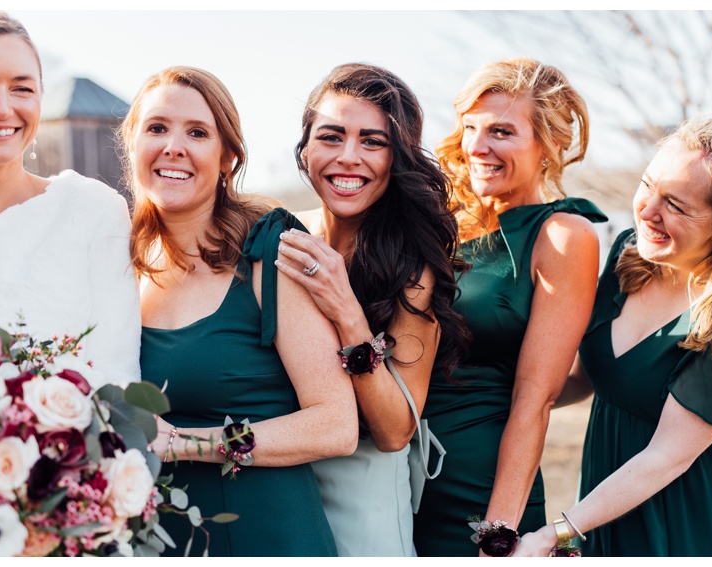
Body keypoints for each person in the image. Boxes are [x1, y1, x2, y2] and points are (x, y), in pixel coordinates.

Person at [512, 119, 712, 557]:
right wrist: (499, 394)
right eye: (648, 186)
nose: (646, 211)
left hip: (694, 521)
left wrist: (559, 533)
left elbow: (667, 456)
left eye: (676, 206)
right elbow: (589, 378)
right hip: (608, 504)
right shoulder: (627, 258)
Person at [125, 67, 356, 556]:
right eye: (157, 127)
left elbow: (336, 425)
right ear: (132, 143)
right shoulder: (116, 264)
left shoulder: (268, 252)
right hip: (157, 539)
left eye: (197, 132)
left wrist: (189, 444)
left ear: (227, 157)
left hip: (266, 533)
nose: (173, 146)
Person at [269, 63, 465, 556]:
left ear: (397, 157)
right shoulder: (282, 240)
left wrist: (347, 311)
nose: (348, 158)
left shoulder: (413, 266)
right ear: (306, 148)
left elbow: (397, 429)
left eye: (373, 142)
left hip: (364, 502)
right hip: (278, 484)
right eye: (331, 136)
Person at [412, 58, 605, 556]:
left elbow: (535, 399)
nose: (478, 146)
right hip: (392, 474)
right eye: (471, 128)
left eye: (501, 131)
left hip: (479, 490)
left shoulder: (563, 236)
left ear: (549, 146)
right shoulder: (441, 223)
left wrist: (496, 532)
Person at [0, 11, 140, 387]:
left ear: (42, 97)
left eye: (22, 88)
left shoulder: (94, 210)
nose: (0, 107)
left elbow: (117, 371)